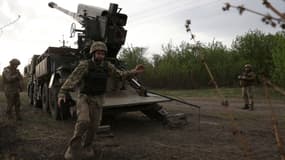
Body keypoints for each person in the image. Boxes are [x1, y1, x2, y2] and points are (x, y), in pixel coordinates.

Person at [58, 41, 144, 160]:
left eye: (102, 54)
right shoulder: (85, 65)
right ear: (93, 54)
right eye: (98, 53)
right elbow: (73, 79)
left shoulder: (107, 66)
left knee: (94, 126)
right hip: (84, 97)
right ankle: (73, 148)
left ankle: (87, 146)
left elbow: (119, 75)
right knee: (83, 121)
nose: (100, 56)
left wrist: (134, 72)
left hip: (98, 99)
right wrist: (62, 92)